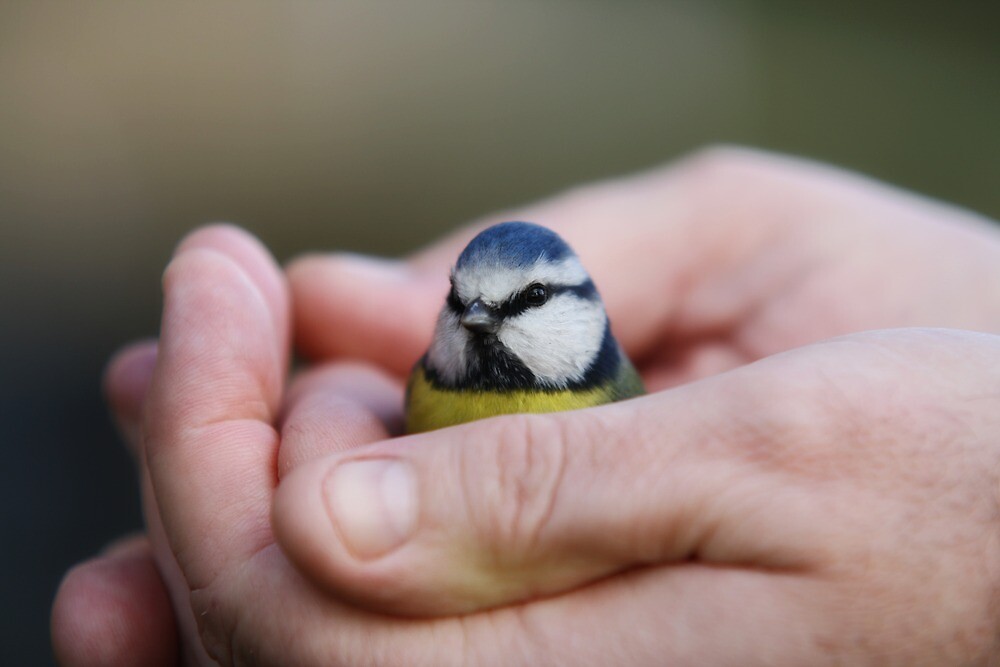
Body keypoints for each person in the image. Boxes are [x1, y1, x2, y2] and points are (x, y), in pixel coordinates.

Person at [51, 147, 1000, 666]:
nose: (477, 326)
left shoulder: (623, 403)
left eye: (522, 306)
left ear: (584, 312)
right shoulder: (421, 390)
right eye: (460, 309)